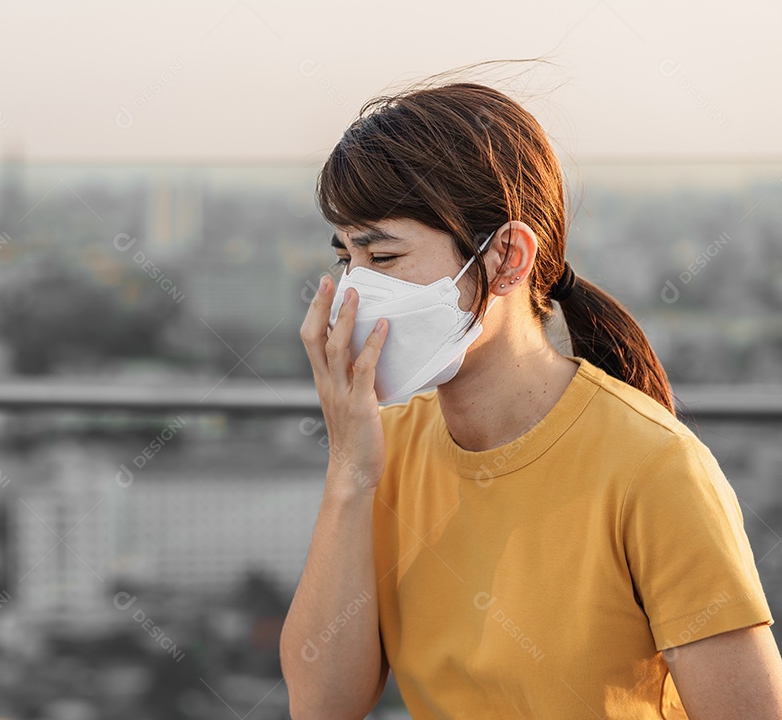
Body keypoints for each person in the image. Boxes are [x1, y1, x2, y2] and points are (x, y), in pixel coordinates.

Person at [280, 73, 782, 719]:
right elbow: (323, 706)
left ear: (508, 258)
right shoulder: (389, 446)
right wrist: (350, 474)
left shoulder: (653, 467)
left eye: (382, 256)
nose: (353, 289)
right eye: (344, 255)